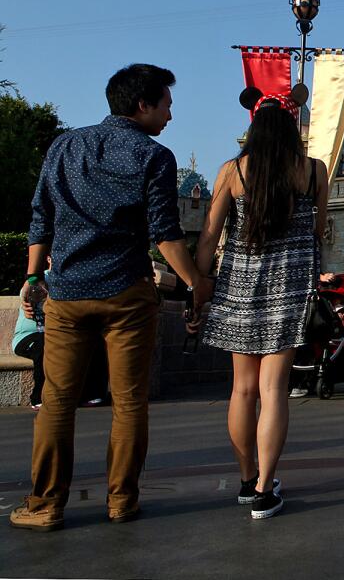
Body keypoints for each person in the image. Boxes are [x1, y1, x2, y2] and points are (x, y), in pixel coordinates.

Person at [12, 64, 212, 532]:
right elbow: (164, 233)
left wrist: (32, 276)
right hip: (126, 294)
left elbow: (41, 215)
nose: (170, 115)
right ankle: (121, 501)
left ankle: (44, 506)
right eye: (166, 105)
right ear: (143, 105)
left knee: (57, 400)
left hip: (66, 293)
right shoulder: (155, 157)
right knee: (128, 402)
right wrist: (196, 283)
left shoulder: (63, 145)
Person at [195, 86, 327, 520]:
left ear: (252, 126)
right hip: (288, 288)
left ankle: (246, 478)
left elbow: (210, 236)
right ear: (292, 126)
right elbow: (318, 230)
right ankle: (265, 489)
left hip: (239, 287)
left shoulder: (232, 171)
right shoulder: (312, 170)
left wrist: (199, 283)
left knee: (242, 389)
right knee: (274, 391)